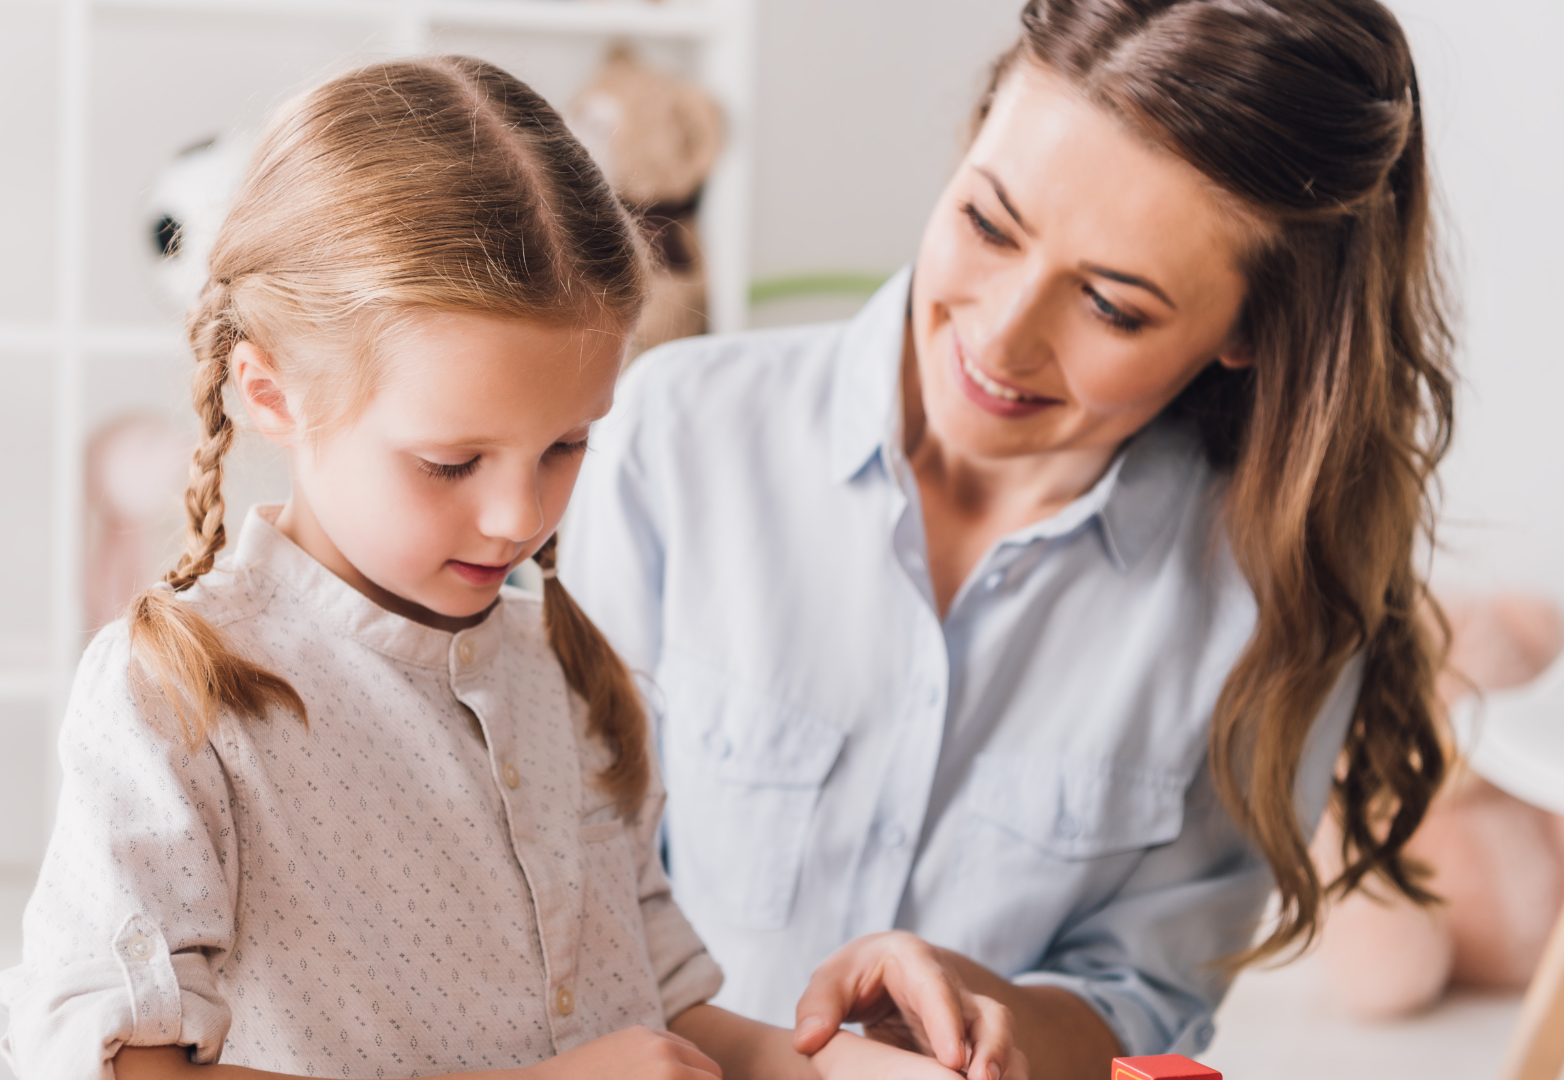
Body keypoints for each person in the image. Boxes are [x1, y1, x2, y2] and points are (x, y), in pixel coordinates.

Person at [0, 57, 963, 1080]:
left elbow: (662, 1032)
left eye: (566, 446)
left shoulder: (568, 679)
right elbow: (115, 1066)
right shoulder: (178, 703)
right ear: (271, 395)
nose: (520, 516)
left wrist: (849, 1068)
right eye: (451, 462)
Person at [560, 2, 1455, 1078]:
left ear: (1254, 331)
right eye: (989, 224)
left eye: (1114, 306)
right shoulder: (675, 435)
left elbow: (1147, 993)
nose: (1000, 334)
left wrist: (992, 1021)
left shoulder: (1270, 594)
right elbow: (567, 882)